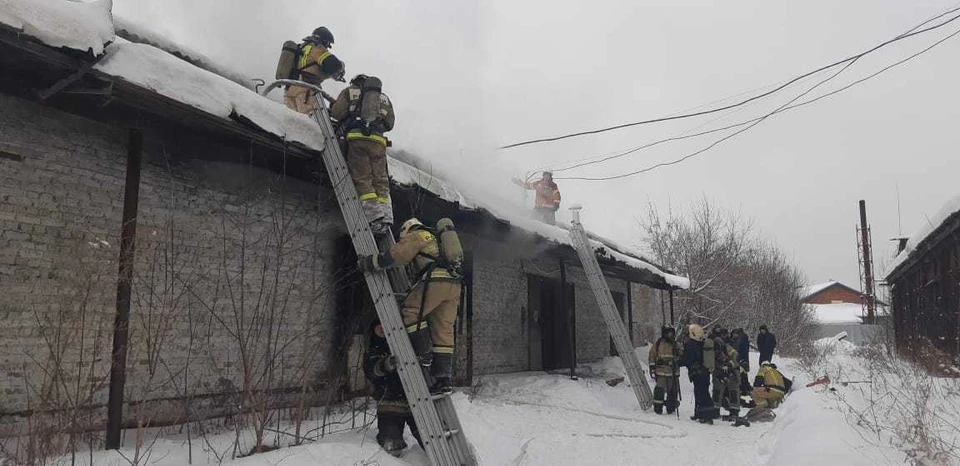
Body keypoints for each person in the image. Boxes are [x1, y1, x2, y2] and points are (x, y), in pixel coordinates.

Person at [357, 218, 461, 393]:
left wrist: (370, 263)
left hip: (435, 281)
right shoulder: (436, 238)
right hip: (454, 284)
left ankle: (424, 354)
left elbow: (398, 256)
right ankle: (443, 380)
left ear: (406, 230)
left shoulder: (417, 235)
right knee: (443, 331)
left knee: (411, 312)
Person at [331, 74, 396, 231]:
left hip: (357, 138)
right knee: (380, 179)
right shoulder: (384, 98)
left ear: (356, 81)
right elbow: (390, 123)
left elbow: (336, 113)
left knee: (362, 178)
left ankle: (374, 217)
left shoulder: (350, 91)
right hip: (379, 141)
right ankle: (386, 216)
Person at [364, 320, 423, 457]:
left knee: (428, 439)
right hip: (389, 404)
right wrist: (386, 365)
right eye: (379, 328)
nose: (382, 330)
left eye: (385, 327)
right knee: (391, 446)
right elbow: (371, 370)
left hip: (413, 402)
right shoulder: (373, 349)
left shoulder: (404, 345)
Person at [283, 27, 346, 115]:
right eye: (327, 44)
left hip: (290, 90)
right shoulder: (317, 48)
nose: (327, 48)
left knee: (292, 123)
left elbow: (310, 68)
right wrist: (341, 67)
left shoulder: (302, 47)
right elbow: (333, 65)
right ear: (324, 41)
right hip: (305, 92)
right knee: (309, 124)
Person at [677, 324, 718, 424]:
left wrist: (677, 362)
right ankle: (699, 414)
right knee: (701, 392)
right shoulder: (701, 343)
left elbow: (689, 359)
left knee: (701, 394)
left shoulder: (691, 344)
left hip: (697, 372)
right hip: (705, 372)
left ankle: (707, 416)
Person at [648, 326, 680, 415]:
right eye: (669, 333)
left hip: (673, 373)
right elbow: (652, 355)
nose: (671, 335)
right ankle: (658, 408)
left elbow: (682, 355)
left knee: (672, 391)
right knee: (659, 390)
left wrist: (678, 357)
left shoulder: (676, 344)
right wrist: (652, 367)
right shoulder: (658, 344)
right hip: (661, 371)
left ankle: (671, 408)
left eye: (672, 333)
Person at [732, 328, 752, 395]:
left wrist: (740, 359)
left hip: (740, 359)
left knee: (741, 373)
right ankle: (745, 388)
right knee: (744, 373)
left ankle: (743, 388)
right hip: (744, 359)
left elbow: (740, 349)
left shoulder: (741, 340)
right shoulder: (744, 338)